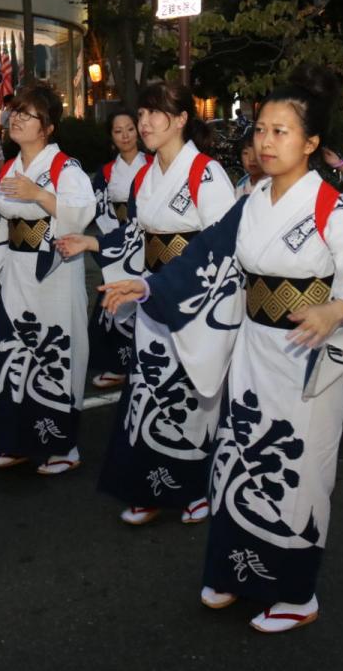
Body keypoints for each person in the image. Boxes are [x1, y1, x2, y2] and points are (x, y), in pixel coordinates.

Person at [101, 65, 343, 633]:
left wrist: (336, 308)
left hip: (305, 353)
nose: (266, 141)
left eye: (281, 132)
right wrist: (152, 285)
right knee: (239, 457)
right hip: (255, 348)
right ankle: (237, 572)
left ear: (310, 144)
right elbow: (205, 252)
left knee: (296, 468)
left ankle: (296, 593)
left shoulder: (333, 207)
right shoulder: (253, 199)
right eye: (260, 130)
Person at [57, 82, 235, 527]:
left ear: (180, 120)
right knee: (148, 393)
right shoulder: (145, 175)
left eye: (157, 114)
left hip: (196, 300)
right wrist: (93, 241)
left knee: (191, 398)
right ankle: (148, 489)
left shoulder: (207, 174)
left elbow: (220, 247)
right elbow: (137, 235)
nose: (145, 122)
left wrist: (165, 287)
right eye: (143, 114)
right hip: (152, 293)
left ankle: (195, 488)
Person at [0, 82, 95, 475]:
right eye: (15, 111)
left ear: (47, 127)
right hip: (16, 273)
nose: (16, 118)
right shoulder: (12, 167)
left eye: (27, 114)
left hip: (53, 273)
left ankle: (63, 446)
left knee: (53, 353)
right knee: (13, 352)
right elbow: (1, 221)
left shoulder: (65, 167)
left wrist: (38, 194)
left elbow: (81, 214)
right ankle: (14, 440)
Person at [86, 110, 150, 389]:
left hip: (148, 241)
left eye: (130, 129)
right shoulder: (106, 173)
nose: (125, 135)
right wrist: (116, 239)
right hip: (117, 241)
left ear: (139, 132)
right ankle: (117, 365)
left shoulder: (153, 165)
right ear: (111, 137)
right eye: (118, 131)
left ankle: (146, 364)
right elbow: (99, 209)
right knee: (113, 302)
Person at [234, 127, 266, 200]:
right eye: (245, 153)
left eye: (256, 152)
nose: (251, 159)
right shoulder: (239, 190)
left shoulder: (276, 187)